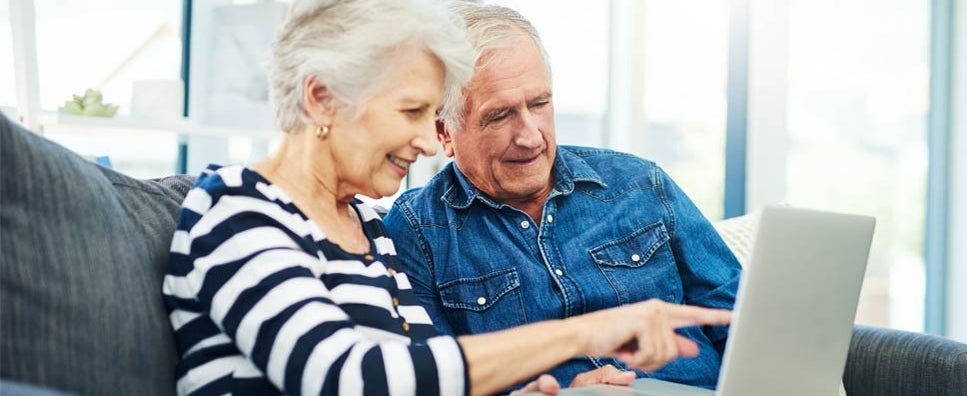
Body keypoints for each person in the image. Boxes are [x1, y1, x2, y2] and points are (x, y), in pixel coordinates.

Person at [161, 1, 731, 395]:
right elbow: (346, 379)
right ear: (322, 99)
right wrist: (586, 332)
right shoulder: (235, 210)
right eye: (412, 112)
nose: (424, 140)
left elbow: (432, 375)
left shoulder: (365, 231)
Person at [382, 2, 744, 391]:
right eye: (500, 116)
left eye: (539, 104)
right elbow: (435, 381)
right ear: (444, 133)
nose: (531, 136)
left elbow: (740, 320)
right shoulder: (417, 233)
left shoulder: (640, 183)